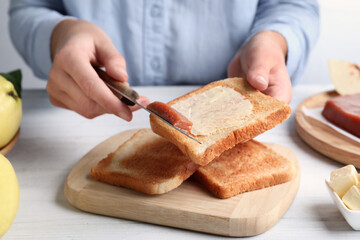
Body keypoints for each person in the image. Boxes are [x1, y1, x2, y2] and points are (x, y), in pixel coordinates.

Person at [9, 0, 319, 121]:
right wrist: (61, 34)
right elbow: (28, 8)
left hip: (238, 105)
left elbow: (294, 6)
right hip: (74, 122)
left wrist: (273, 40)